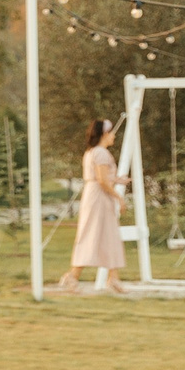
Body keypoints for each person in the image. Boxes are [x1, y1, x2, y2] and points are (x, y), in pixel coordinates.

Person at [57, 118, 129, 294]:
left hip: (96, 195)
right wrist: (119, 197)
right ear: (104, 134)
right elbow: (102, 181)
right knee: (92, 234)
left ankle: (114, 278)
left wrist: (118, 180)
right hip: (98, 198)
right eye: (111, 133)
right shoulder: (100, 153)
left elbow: (102, 177)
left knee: (108, 235)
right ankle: (72, 276)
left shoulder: (93, 152)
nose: (113, 136)